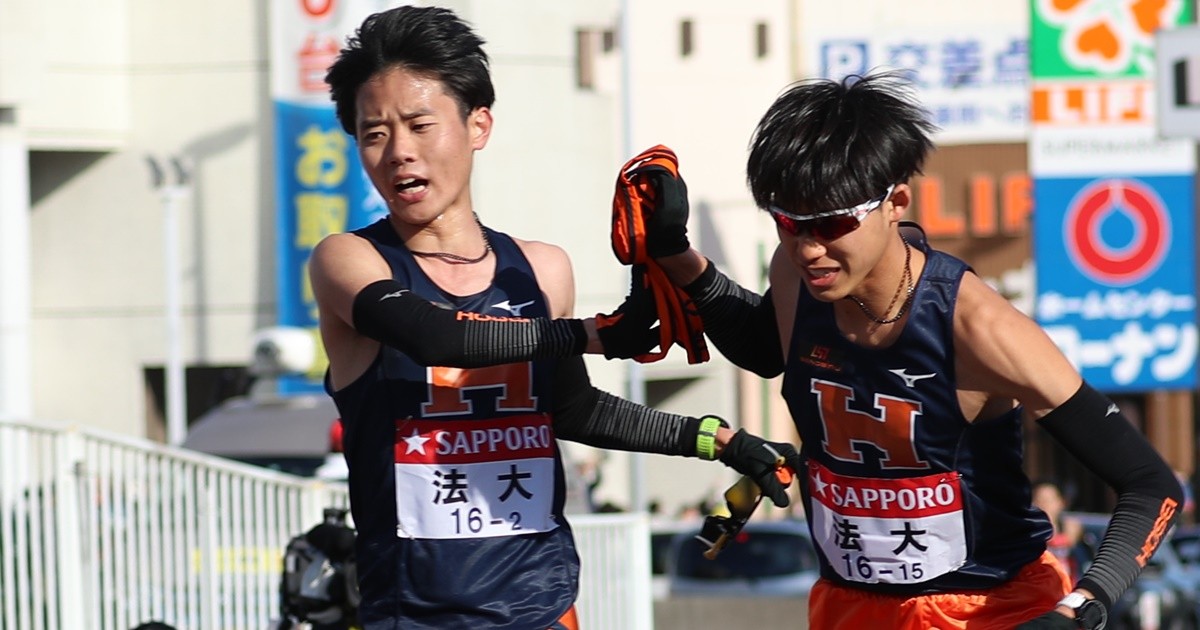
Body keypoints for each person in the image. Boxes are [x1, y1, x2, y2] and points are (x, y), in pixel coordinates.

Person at [310, 6, 797, 629]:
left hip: (543, 608)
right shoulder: (349, 260)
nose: (398, 152)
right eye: (373, 133)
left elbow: (574, 409)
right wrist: (594, 333)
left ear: (478, 124)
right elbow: (433, 336)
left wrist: (717, 439)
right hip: (414, 615)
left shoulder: (540, 270)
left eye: (419, 124)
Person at [640, 72, 1184, 629]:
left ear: (895, 201)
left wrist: (1080, 607)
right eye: (787, 222)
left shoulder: (979, 328)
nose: (807, 248)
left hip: (988, 610)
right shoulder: (796, 274)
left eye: (831, 222)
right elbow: (768, 348)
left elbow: (1151, 484)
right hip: (845, 604)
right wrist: (675, 254)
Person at [1032, 480, 1085, 582]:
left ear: (1061, 502)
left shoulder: (1069, 526)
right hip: (1039, 586)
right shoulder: (1028, 531)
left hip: (1066, 588)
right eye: (1039, 500)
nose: (1044, 505)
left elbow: (1069, 541)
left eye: (1049, 500)